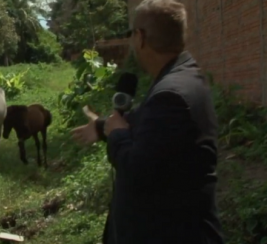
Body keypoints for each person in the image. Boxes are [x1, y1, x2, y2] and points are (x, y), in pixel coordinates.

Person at [70, 0, 225, 243]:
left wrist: (118, 135)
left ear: (140, 37)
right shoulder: (184, 77)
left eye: (131, 34)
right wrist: (102, 127)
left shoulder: (170, 96)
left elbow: (136, 172)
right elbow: (146, 121)